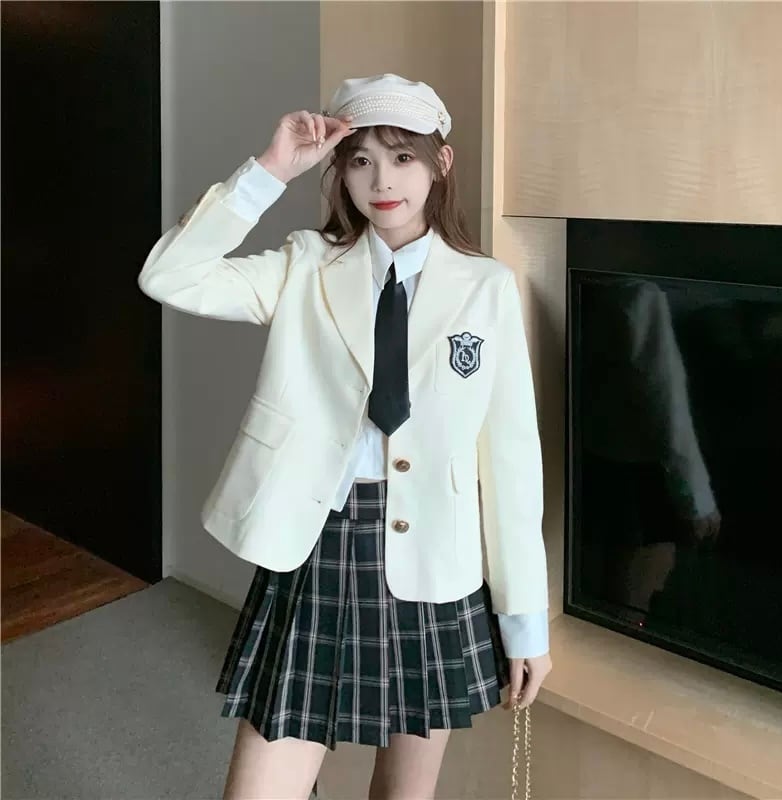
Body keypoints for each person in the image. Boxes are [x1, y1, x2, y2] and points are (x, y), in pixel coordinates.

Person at [138, 73, 552, 800]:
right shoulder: (305, 266)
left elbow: (511, 464)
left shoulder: (486, 289)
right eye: (361, 160)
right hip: (321, 542)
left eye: (402, 157)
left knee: (404, 794)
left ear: (441, 163)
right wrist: (270, 169)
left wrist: (525, 624)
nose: (381, 181)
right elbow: (169, 276)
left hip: (436, 556)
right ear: (340, 171)